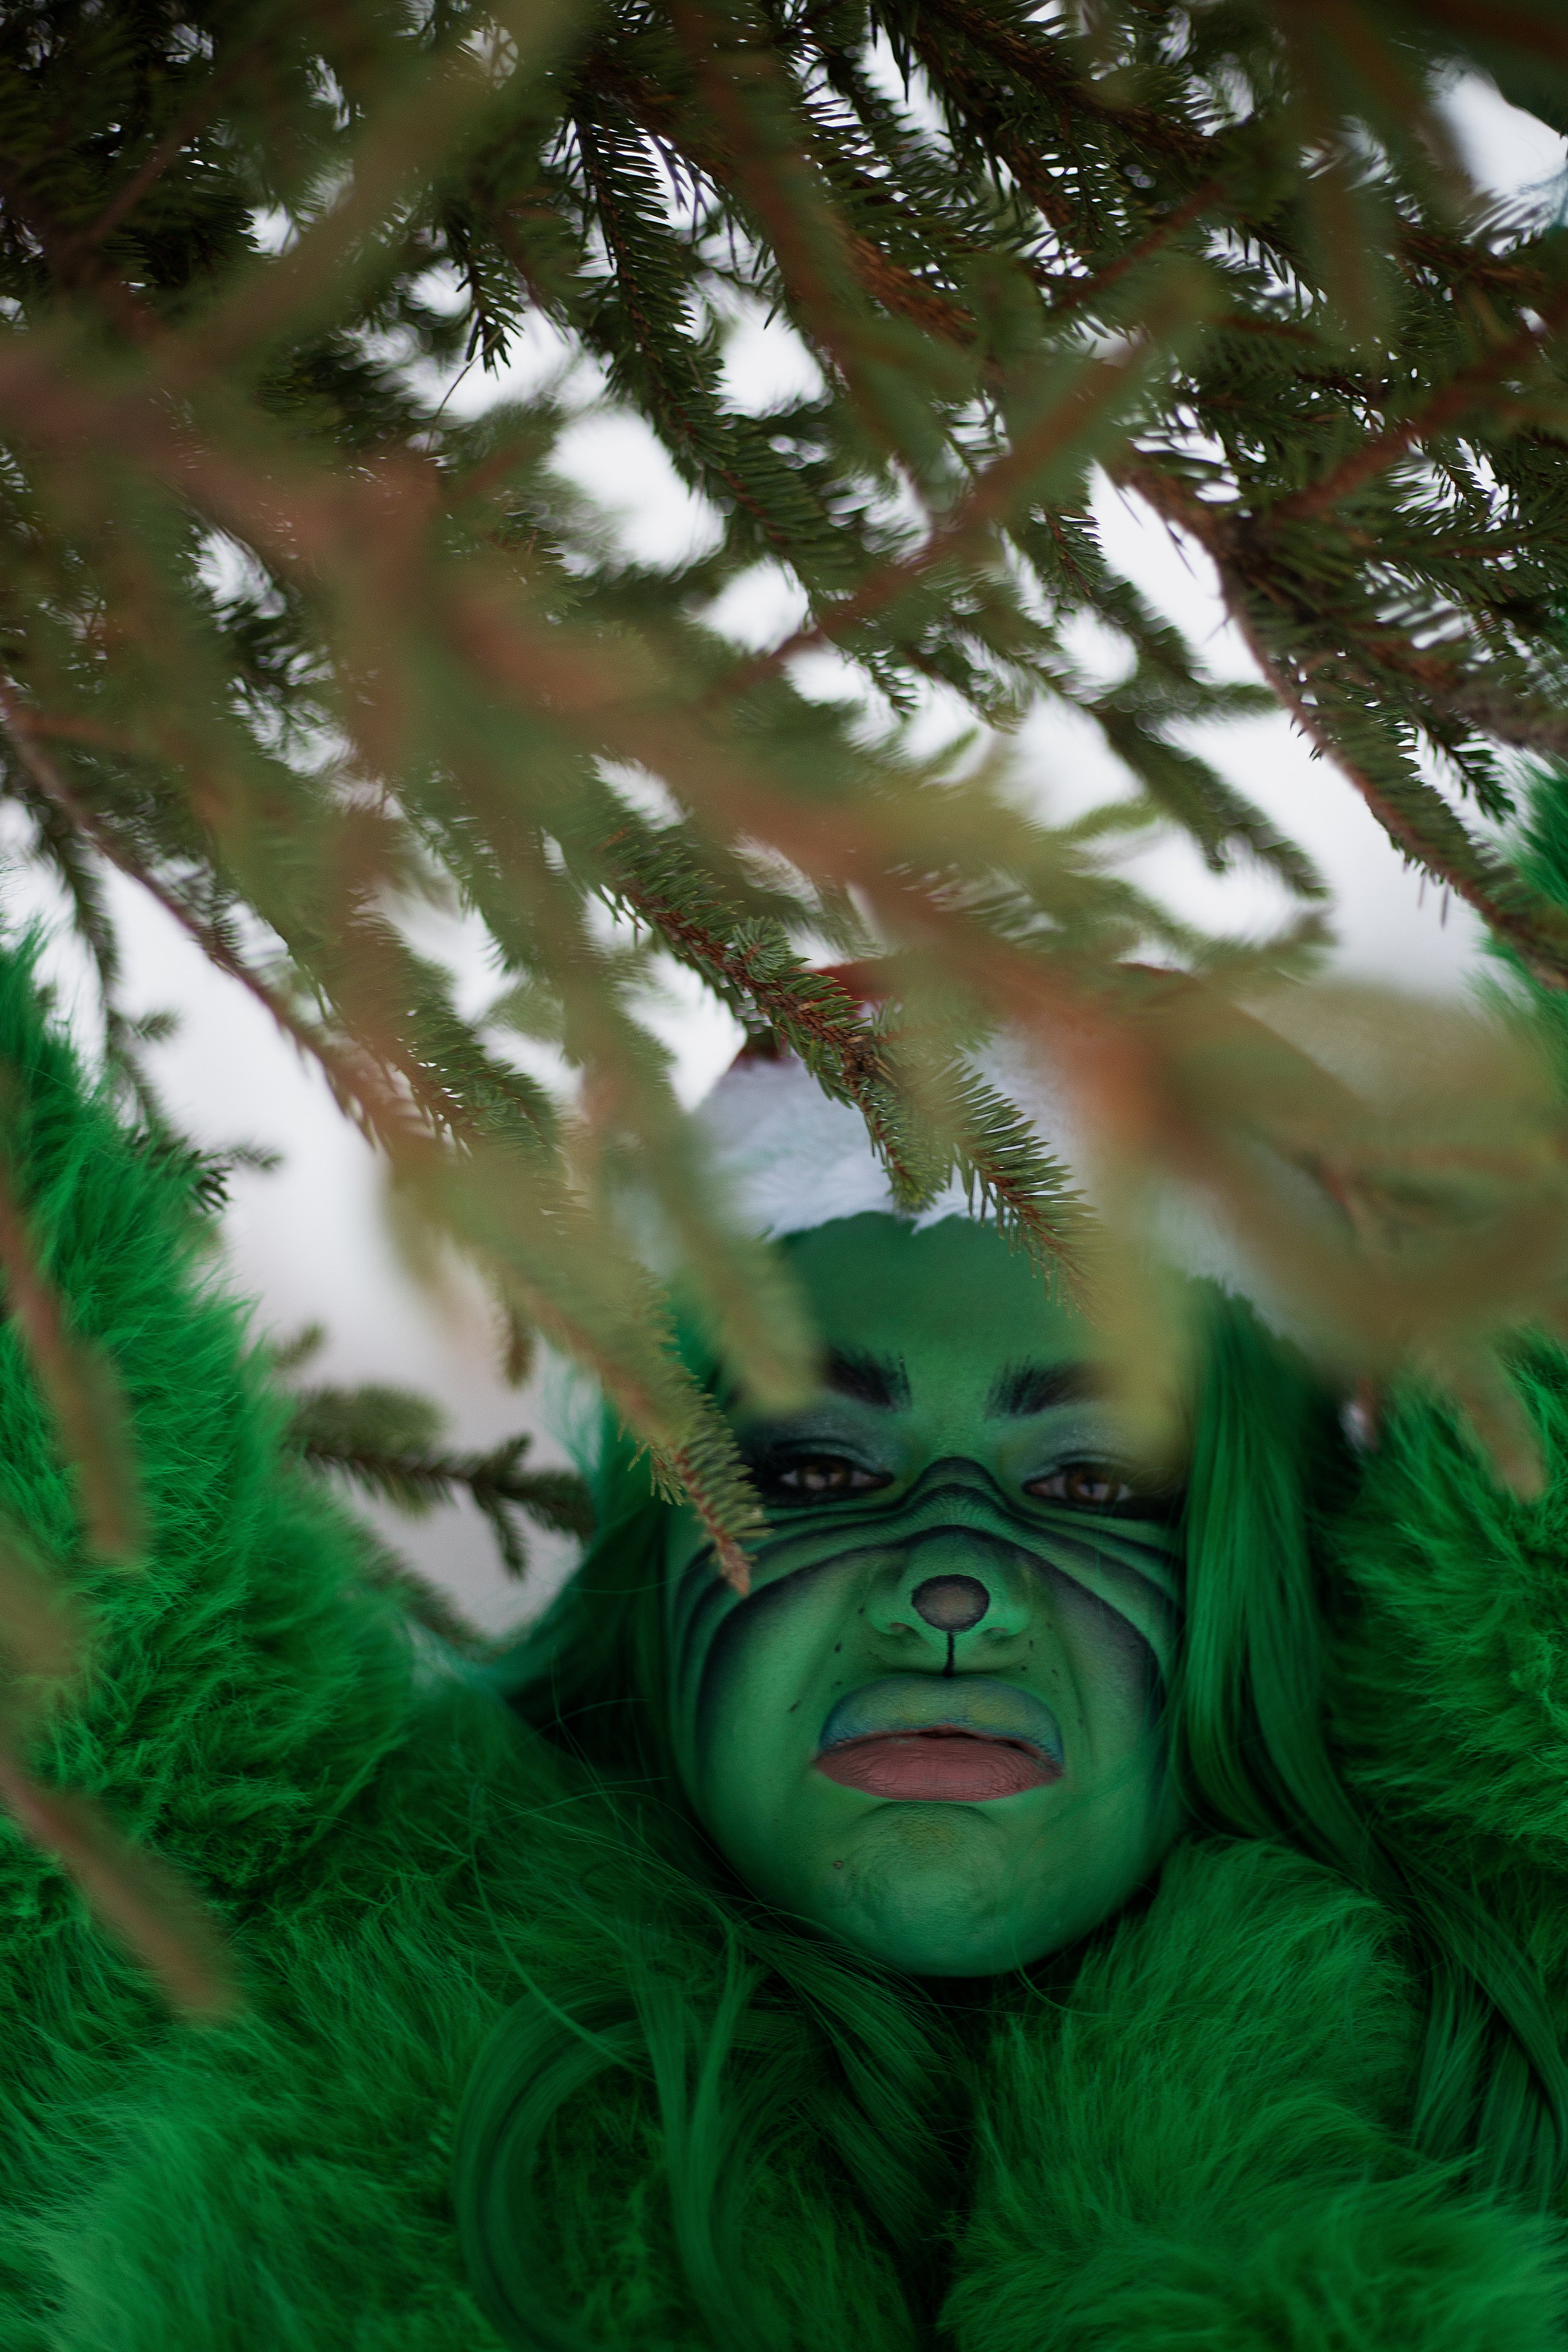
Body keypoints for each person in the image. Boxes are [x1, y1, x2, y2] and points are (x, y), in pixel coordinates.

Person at [0, 925, 1566, 2352]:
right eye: (817, 1471)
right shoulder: (238, 1990)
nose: (951, 1575)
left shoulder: (1511, 2082)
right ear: (657, 1546)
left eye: (1090, 1479)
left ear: (1264, 1580)